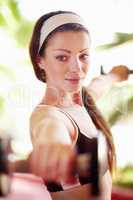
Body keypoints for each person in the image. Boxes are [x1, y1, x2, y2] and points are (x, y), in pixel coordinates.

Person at [29, 10, 116, 200]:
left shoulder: (82, 101)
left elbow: (98, 85)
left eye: (83, 56)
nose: (76, 68)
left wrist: (115, 75)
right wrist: (55, 146)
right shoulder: (49, 117)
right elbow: (50, 131)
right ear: (40, 60)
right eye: (62, 57)